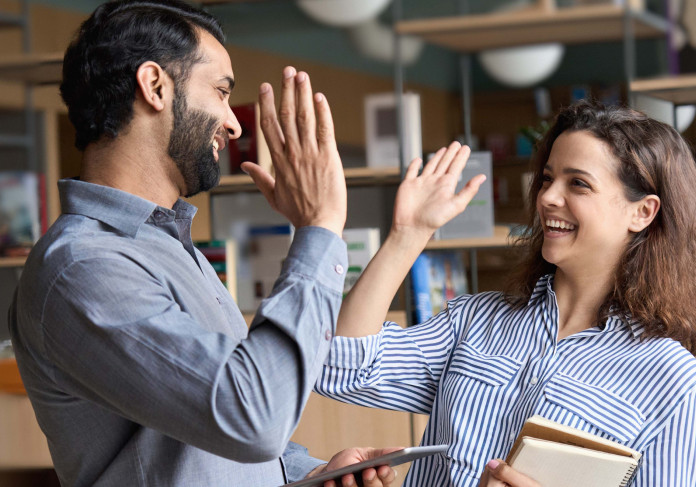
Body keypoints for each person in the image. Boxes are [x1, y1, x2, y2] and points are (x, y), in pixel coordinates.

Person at [8, 1, 420, 485]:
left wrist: (308, 474)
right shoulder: (83, 268)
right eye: (221, 93)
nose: (234, 123)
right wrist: (319, 227)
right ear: (154, 86)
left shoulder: (171, 249)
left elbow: (212, 425)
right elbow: (252, 417)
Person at [315, 101, 696, 487]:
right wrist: (407, 236)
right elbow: (339, 367)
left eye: (579, 184)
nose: (547, 197)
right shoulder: (475, 321)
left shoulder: (676, 385)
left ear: (642, 212)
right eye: (548, 178)